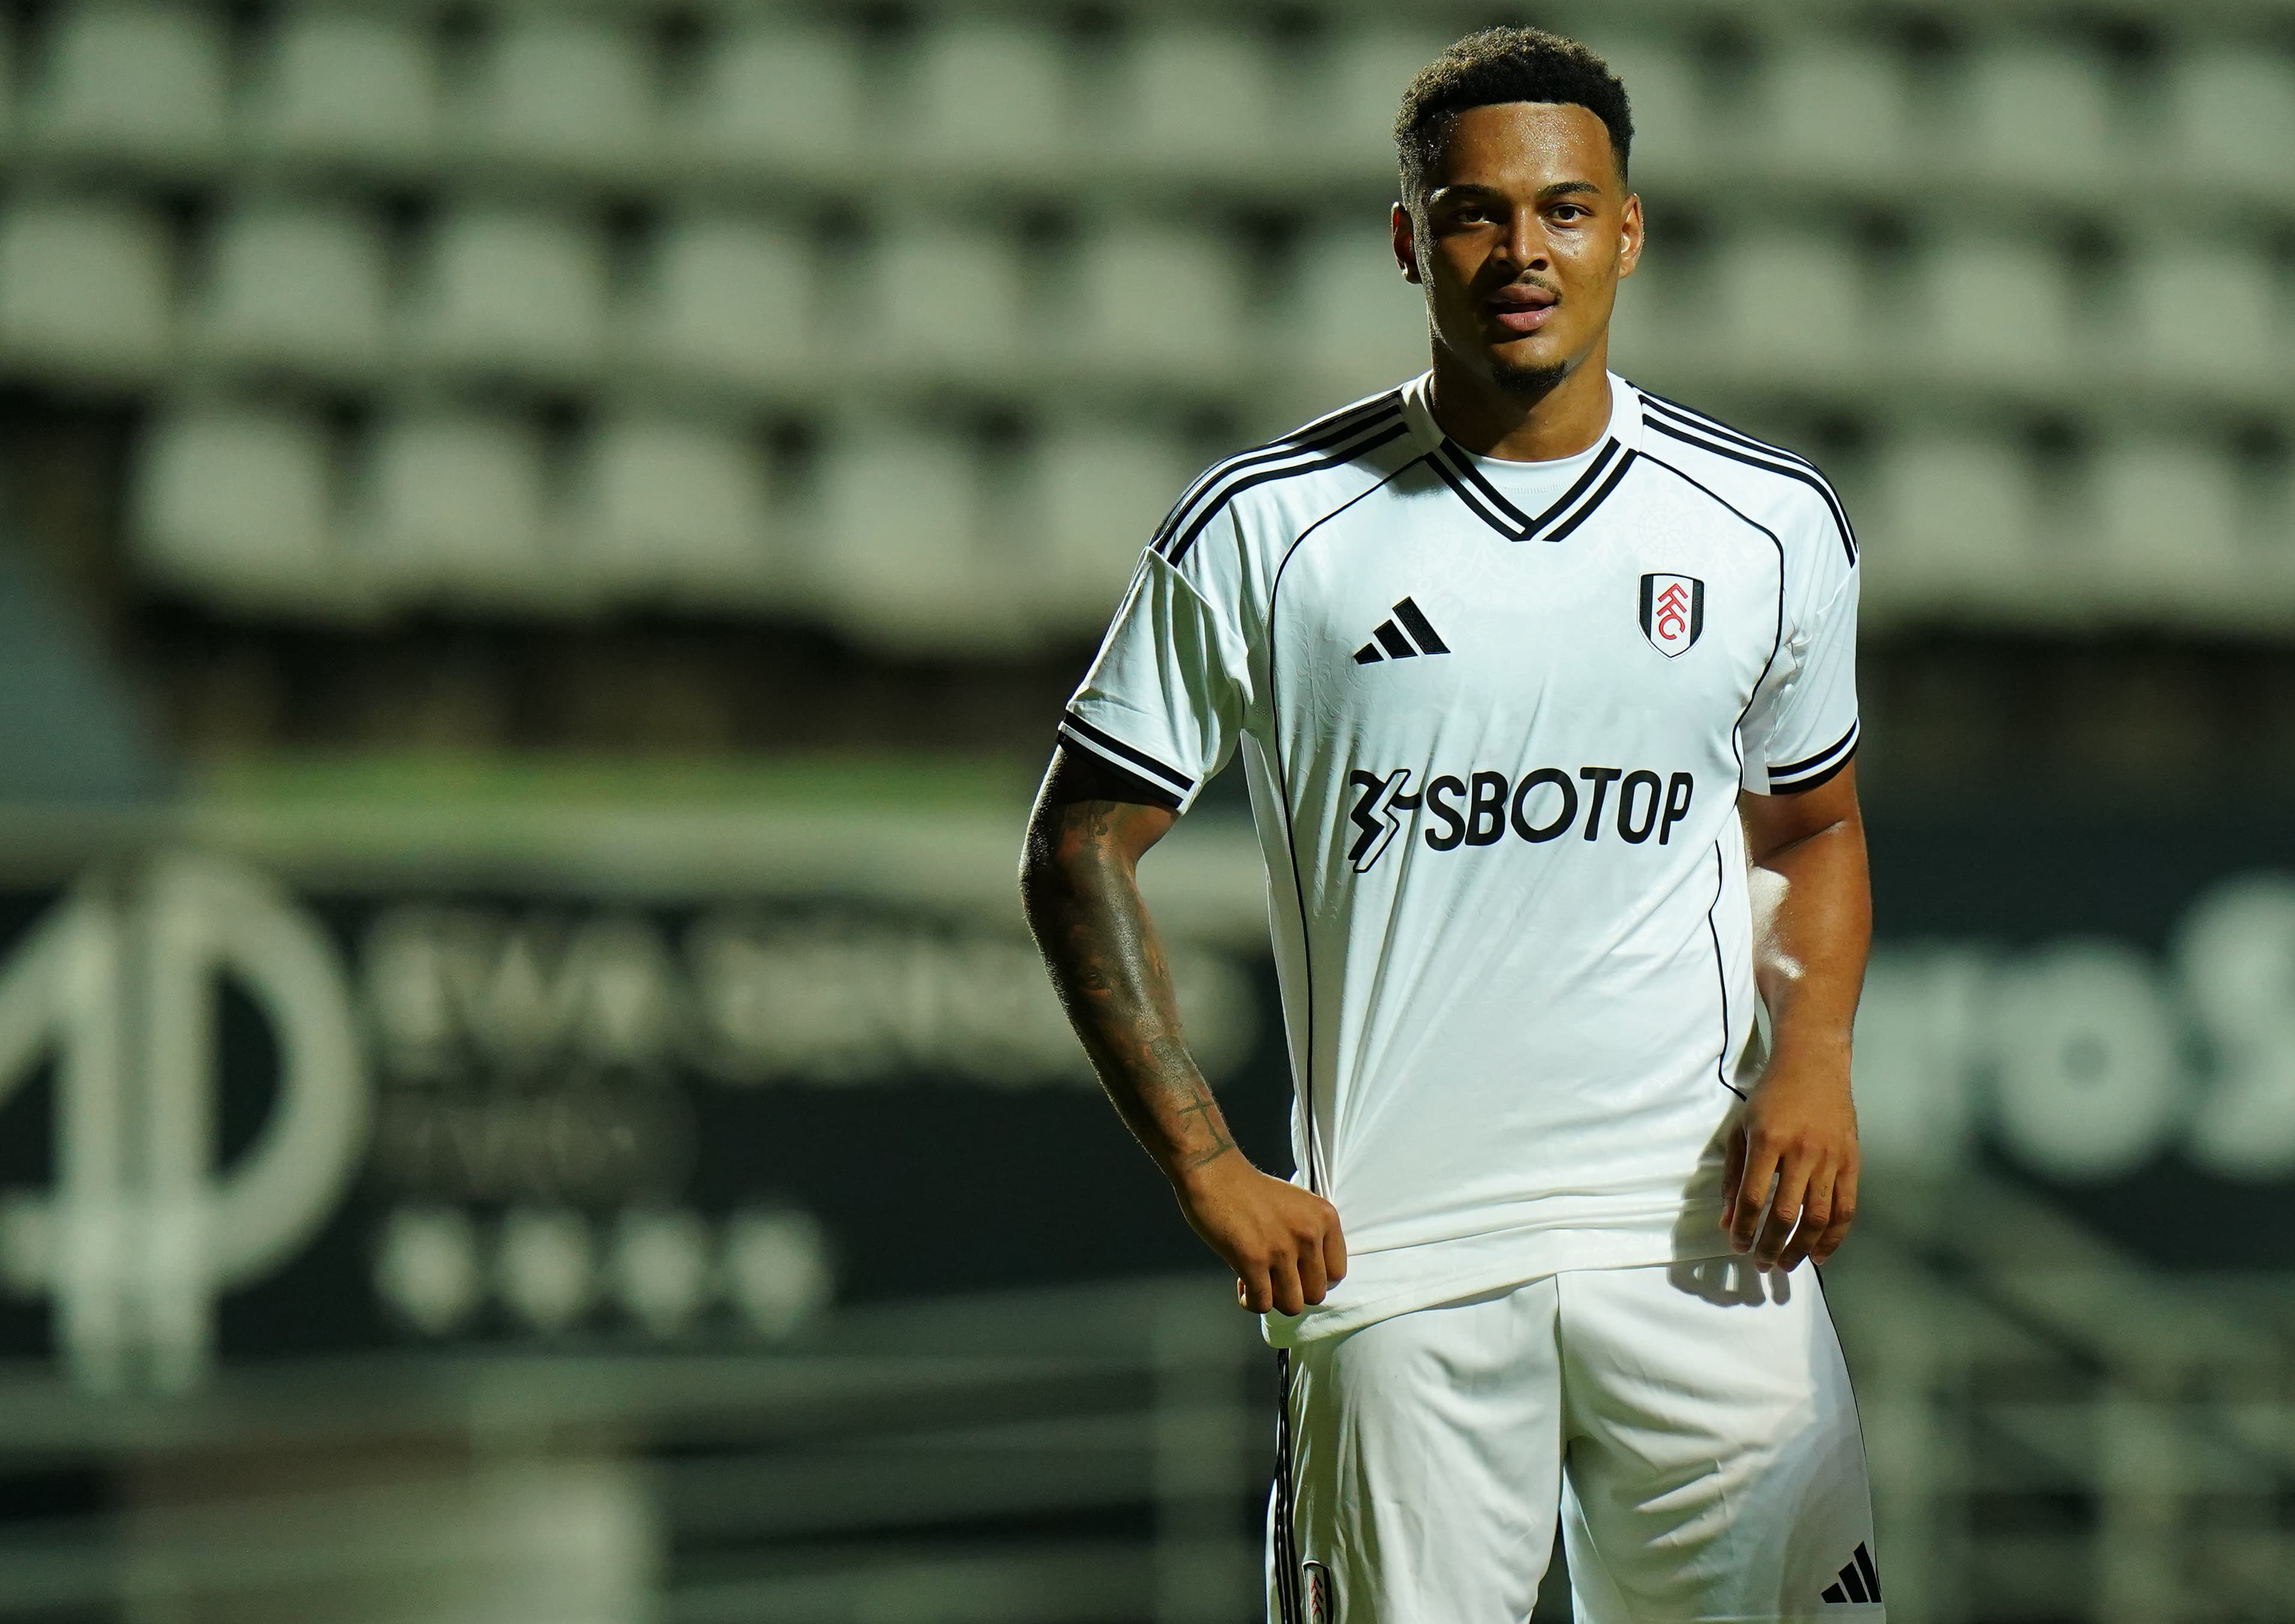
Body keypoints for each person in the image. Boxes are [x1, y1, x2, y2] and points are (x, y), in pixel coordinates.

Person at [1019, 25, 1880, 1623]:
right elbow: (1077, 845)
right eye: (1475, 213)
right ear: (1409, 238)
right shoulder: (1266, 531)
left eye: (1562, 210)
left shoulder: (1766, 524)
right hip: (1397, 1266)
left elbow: (1809, 829)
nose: (1520, 251)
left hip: (1704, 1247)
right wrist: (1207, 1163)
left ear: (1629, 230)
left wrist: (1814, 1054)